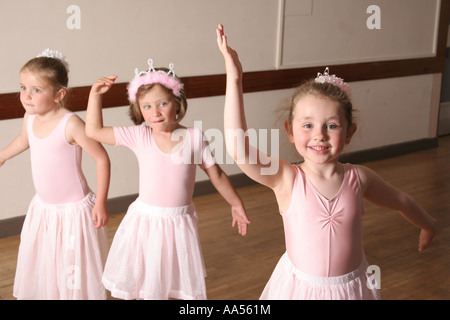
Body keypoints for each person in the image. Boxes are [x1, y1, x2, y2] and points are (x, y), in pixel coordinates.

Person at [216, 24, 437, 300]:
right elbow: (239, 151)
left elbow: (402, 201)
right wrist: (234, 80)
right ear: (289, 130)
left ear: (349, 133)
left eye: (331, 126)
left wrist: (428, 224)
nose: (319, 134)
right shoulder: (286, 179)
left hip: (353, 289)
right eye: (307, 125)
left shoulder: (360, 178)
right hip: (301, 290)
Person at [85, 58, 250, 300]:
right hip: (146, 222)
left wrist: (236, 204)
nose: (156, 112)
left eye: (162, 103)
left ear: (177, 102)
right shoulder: (139, 135)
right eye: (147, 106)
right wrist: (95, 96)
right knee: (145, 281)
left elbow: (217, 175)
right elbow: (93, 131)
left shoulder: (194, 138)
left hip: (178, 224)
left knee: (172, 282)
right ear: (139, 109)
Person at [0, 49, 110, 300]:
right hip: (44, 210)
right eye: (22, 87)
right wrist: (2, 155)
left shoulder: (70, 123)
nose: (26, 96)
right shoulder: (30, 116)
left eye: (36, 90)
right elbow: (22, 141)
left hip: (74, 212)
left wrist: (101, 202)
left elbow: (102, 158)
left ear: (59, 94)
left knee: (74, 269)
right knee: (46, 264)